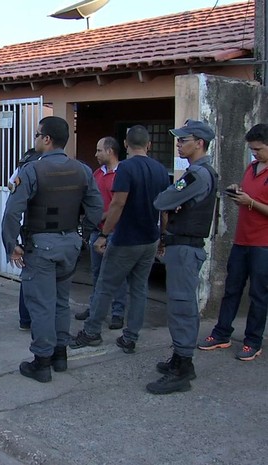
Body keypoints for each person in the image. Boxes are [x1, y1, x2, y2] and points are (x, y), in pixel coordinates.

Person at [1, 116, 103, 383]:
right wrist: (84, 234)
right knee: (60, 302)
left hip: (41, 247)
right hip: (69, 244)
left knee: (41, 304)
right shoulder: (82, 169)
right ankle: (60, 355)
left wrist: (12, 246)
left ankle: (42, 362)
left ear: (46, 139)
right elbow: (96, 208)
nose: (35, 140)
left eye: (37, 135)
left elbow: (12, 213)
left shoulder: (31, 171)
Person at [71, 125, 170, 353]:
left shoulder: (125, 168)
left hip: (126, 238)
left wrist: (104, 234)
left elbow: (118, 203)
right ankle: (130, 336)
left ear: (125, 144)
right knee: (138, 289)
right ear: (149, 144)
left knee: (105, 284)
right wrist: (162, 237)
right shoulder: (160, 170)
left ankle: (91, 331)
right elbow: (165, 210)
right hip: (150, 239)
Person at [147, 119, 218, 394]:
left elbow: (162, 201)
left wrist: (173, 201)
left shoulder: (197, 175)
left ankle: (183, 367)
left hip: (185, 249)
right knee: (180, 304)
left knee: (181, 306)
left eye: (183, 139)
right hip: (184, 247)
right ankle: (180, 358)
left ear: (199, 143)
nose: (178, 143)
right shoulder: (198, 172)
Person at [198, 123, 268, 362]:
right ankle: (221, 333)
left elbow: (256, 203)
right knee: (232, 290)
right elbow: (249, 194)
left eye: (258, 149)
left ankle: (253, 341)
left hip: (263, 244)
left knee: (259, 294)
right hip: (242, 239)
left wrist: (250, 202)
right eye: (252, 149)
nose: (254, 153)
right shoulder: (251, 167)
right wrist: (238, 191)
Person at [75, 137, 128, 330]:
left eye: (99, 150)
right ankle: (96, 308)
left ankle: (117, 313)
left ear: (110, 151)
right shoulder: (97, 173)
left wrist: (102, 216)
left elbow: (120, 205)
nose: (96, 154)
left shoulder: (121, 174)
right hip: (97, 231)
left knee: (116, 275)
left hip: (115, 232)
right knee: (96, 273)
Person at [7, 148, 42, 331]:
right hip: (39, 230)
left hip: (31, 228)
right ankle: (28, 319)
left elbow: (11, 185)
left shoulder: (28, 159)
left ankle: (26, 319)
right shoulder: (39, 160)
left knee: (29, 277)